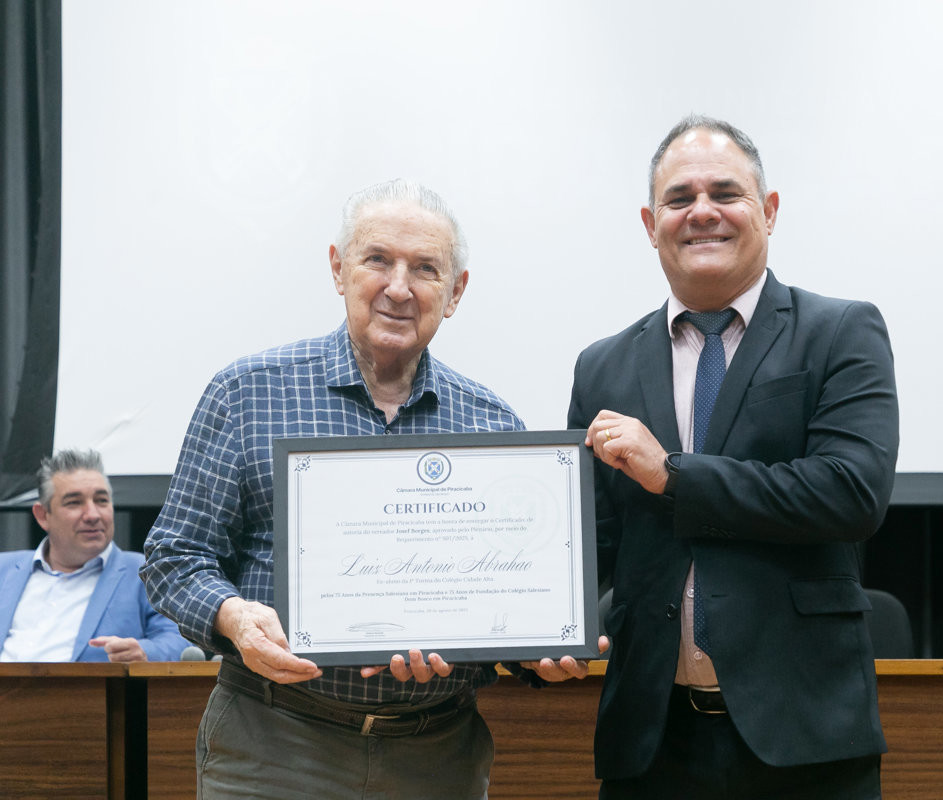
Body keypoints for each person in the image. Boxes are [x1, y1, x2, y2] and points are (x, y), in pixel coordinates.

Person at [141, 179, 595, 799]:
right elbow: (173, 558)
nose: (399, 287)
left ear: (455, 292)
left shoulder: (494, 424)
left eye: (426, 269)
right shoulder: (248, 393)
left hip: (437, 756)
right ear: (338, 269)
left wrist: (536, 645)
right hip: (274, 745)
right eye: (377, 259)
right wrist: (235, 618)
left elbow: (506, 606)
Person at [569, 116, 900, 798]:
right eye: (680, 198)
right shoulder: (601, 365)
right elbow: (585, 545)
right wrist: (532, 629)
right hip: (653, 747)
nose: (702, 213)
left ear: (769, 211)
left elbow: (851, 492)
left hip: (804, 742)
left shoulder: (840, 331)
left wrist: (674, 476)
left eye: (726, 192)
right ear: (649, 220)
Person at [0, 449, 188, 662]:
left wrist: (145, 652)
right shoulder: (4, 569)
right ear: (43, 516)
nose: (92, 515)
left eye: (101, 501)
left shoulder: (146, 572)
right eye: (74, 502)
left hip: (86, 694)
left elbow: (181, 641)